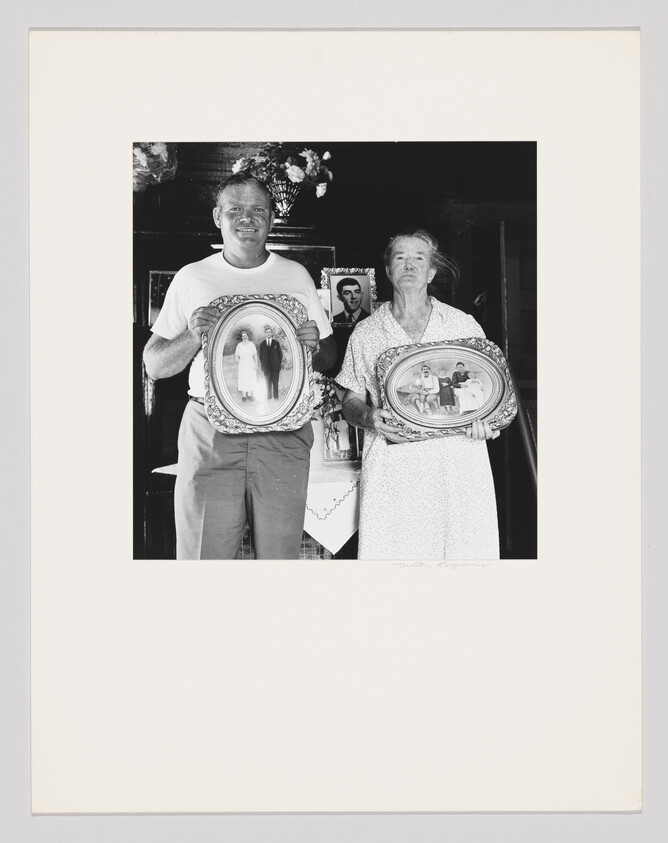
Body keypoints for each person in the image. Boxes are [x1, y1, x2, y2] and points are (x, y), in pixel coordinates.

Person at [143, 173, 336, 559]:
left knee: (279, 560)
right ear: (218, 216)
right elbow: (155, 364)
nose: (247, 218)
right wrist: (193, 336)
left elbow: (329, 357)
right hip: (210, 432)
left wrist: (312, 345)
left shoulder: (295, 275)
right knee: (204, 559)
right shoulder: (192, 276)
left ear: (272, 218)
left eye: (258, 210)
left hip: (284, 431)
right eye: (235, 209)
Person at [336, 229, 500, 560]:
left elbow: (488, 394)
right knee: (394, 564)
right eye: (400, 257)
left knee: (461, 561)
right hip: (394, 471)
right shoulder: (366, 332)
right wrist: (369, 417)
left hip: (457, 465)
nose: (409, 265)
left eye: (419, 258)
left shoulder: (462, 325)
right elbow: (349, 401)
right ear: (388, 270)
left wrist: (488, 423)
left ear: (431, 272)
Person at [257, 325, 283, 400]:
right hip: (266, 367)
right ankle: (269, 396)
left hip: (275, 367)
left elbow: (280, 354)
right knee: (267, 382)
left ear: (271, 333)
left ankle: (276, 396)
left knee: (275, 382)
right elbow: (260, 356)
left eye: (269, 332)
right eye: (267, 332)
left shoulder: (276, 343)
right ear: (265, 334)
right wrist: (264, 363)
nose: (268, 333)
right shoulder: (262, 344)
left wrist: (277, 363)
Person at [234, 330, 258, 402]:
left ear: (248, 336)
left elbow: (255, 355)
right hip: (243, 364)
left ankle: (249, 395)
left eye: (245, 336)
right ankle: (244, 396)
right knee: (243, 378)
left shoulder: (251, 344)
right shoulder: (239, 345)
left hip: (250, 363)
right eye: (243, 336)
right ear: (242, 337)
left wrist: (256, 364)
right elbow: (236, 355)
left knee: (250, 378)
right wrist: (239, 362)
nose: (244, 337)